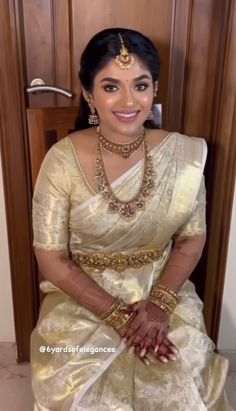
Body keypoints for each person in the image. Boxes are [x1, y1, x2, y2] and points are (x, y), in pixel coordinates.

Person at [31, 28, 234, 411]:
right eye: (110, 87)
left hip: (162, 287)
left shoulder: (186, 157)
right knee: (83, 391)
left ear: (154, 88)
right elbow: (52, 257)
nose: (128, 101)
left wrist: (159, 305)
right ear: (89, 94)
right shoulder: (61, 160)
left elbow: (192, 238)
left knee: (185, 370)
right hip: (81, 295)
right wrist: (118, 317)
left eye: (139, 85)